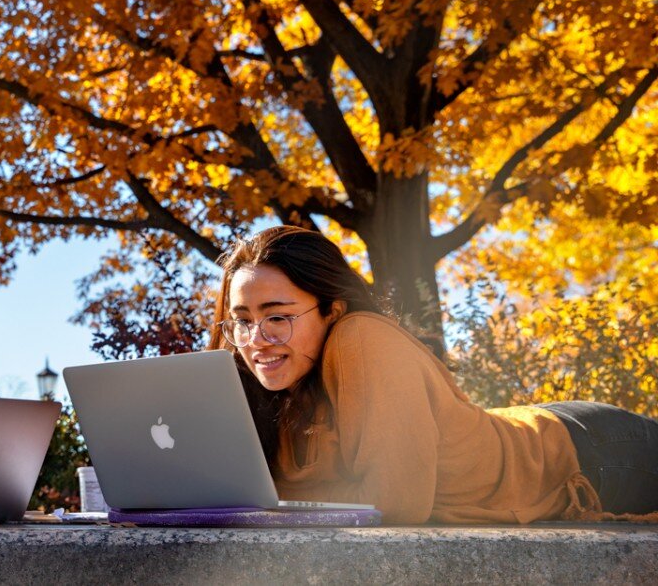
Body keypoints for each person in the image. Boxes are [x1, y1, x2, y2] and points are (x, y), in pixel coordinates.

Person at [210, 225, 658, 524]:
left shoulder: (361, 338)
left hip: (591, 452)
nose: (255, 339)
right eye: (242, 320)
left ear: (333, 309)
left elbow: (398, 503)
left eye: (277, 317)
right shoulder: (274, 391)